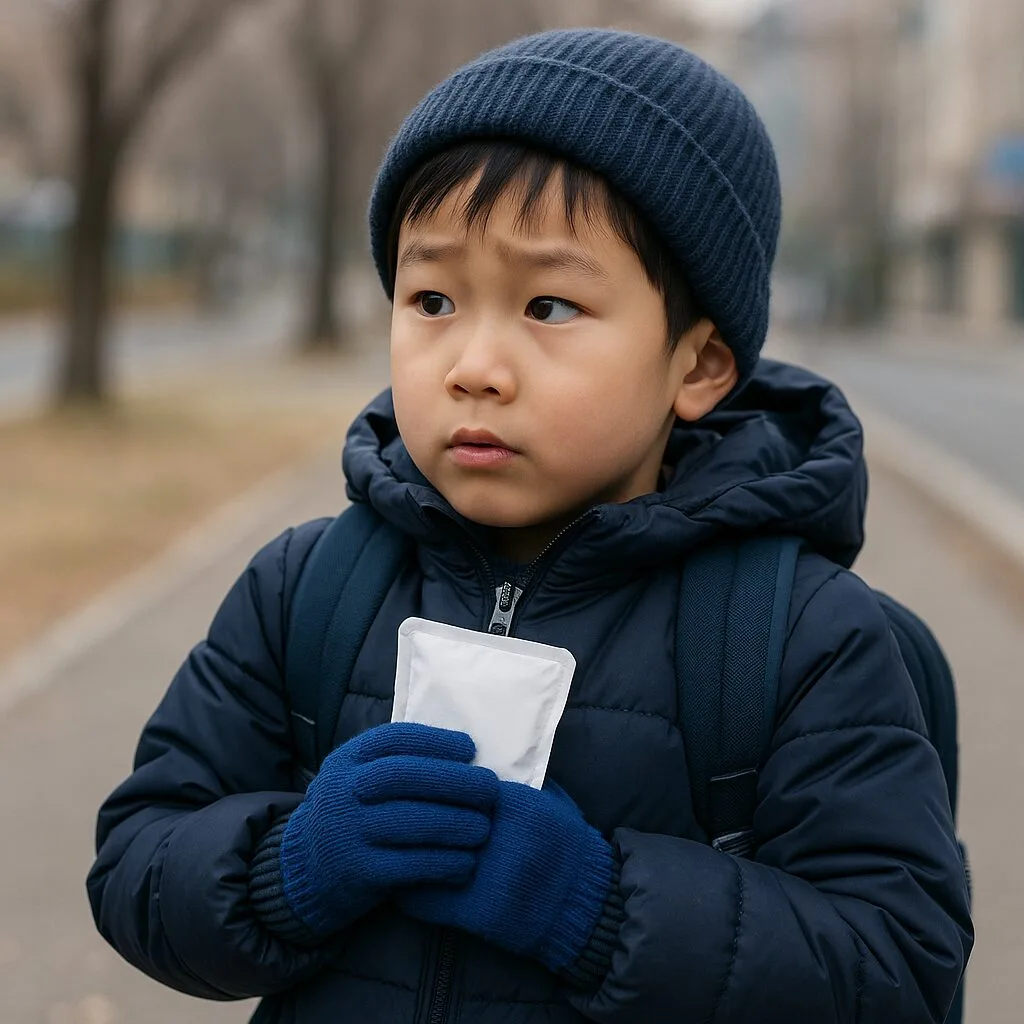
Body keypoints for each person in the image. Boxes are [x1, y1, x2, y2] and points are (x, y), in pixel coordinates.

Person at [87, 28, 972, 1023]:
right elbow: (133, 867)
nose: (473, 364)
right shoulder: (307, 589)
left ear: (698, 365)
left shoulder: (800, 636)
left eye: (548, 304)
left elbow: (897, 970)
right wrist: (291, 865)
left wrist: (592, 906)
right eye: (432, 299)